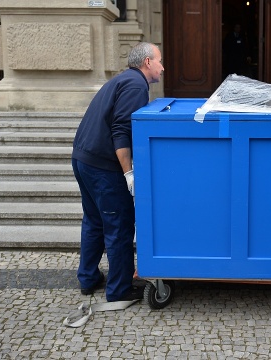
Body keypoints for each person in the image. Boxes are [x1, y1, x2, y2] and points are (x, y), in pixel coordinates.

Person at [72, 42, 164, 302]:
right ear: (147, 62)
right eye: (159, 61)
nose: (162, 67)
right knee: (119, 227)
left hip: (83, 159)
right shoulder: (136, 85)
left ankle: (88, 279)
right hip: (104, 167)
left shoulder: (121, 79)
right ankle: (119, 291)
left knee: (93, 222)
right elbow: (121, 131)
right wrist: (129, 174)